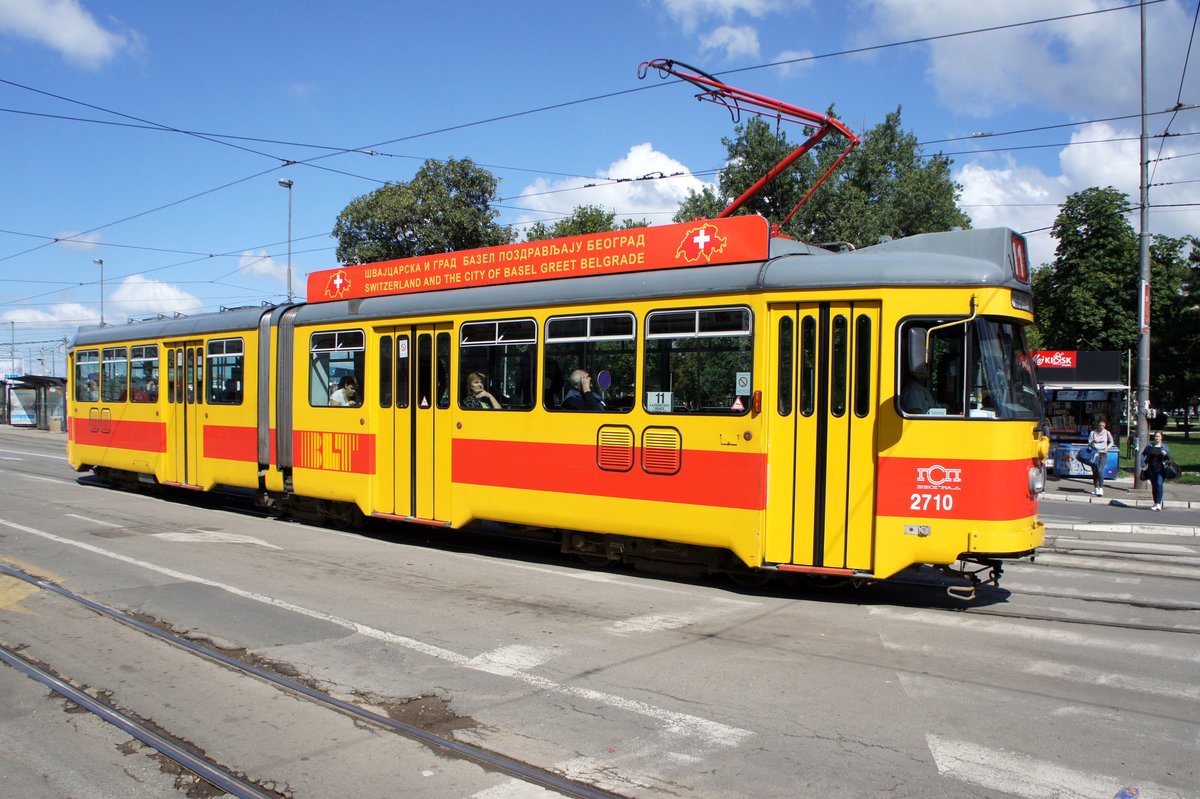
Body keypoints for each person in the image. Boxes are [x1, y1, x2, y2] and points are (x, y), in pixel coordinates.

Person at [1140, 430, 1171, 511]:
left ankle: (1159, 503)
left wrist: (1166, 454)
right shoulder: (1150, 446)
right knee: (1154, 486)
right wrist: (1142, 463)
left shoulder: (1164, 447)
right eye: (1156, 436)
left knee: (1159, 484)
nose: (1157, 438)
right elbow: (1143, 454)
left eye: (1159, 436)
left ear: (1161, 437)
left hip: (1161, 468)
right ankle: (1155, 502)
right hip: (1151, 468)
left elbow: (1168, 458)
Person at [1087, 418, 1115, 496]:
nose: (1101, 427)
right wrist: (1092, 441)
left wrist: (1107, 448)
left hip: (1103, 453)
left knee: (1100, 470)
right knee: (1095, 471)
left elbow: (1111, 442)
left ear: (1105, 426)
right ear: (1098, 426)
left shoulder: (1107, 432)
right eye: (1100, 426)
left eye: (1103, 426)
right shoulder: (1093, 432)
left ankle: (1101, 487)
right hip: (1094, 454)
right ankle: (1095, 487)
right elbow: (1089, 443)